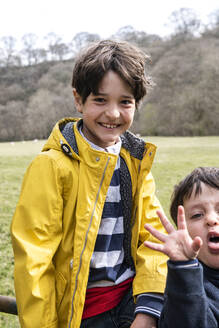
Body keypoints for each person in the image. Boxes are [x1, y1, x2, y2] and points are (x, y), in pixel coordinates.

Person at [11, 39, 168, 328]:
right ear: (78, 99)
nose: (113, 113)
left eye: (125, 102)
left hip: (130, 304)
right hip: (81, 314)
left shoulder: (135, 162)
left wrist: (147, 310)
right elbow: (34, 262)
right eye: (100, 100)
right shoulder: (51, 166)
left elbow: (153, 238)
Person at [144, 167, 219, 328]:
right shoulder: (181, 288)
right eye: (197, 215)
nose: (212, 219)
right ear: (183, 233)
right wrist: (184, 268)